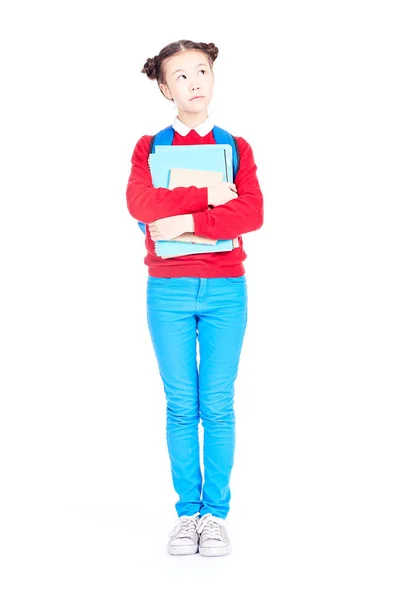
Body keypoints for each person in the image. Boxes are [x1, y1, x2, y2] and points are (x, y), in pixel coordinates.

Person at [126, 39, 264, 557]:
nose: (194, 82)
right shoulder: (149, 147)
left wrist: (181, 218)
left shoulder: (236, 146)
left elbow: (250, 214)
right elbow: (140, 203)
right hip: (168, 289)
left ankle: (215, 515)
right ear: (165, 88)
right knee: (182, 405)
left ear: (213, 77)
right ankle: (188, 515)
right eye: (180, 76)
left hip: (227, 288)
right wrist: (209, 196)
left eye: (201, 71)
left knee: (218, 405)